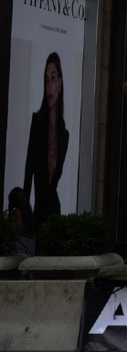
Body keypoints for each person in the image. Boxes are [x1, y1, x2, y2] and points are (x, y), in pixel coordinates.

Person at [23, 53, 69, 228]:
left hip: (54, 213)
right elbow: (29, 171)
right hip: (37, 214)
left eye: (53, 78)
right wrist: (25, 214)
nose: (49, 86)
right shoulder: (37, 122)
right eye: (46, 80)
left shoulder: (65, 136)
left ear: (60, 83)